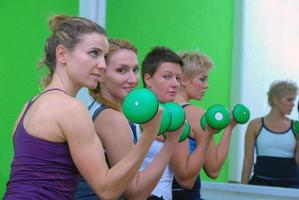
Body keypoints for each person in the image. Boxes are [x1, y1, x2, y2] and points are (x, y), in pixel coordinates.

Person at [4, 15, 163, 200]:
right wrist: (149, 134)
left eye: (104, 56)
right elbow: (107, 190)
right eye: (93, 53)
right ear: (62, 54)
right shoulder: (70, 108)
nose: (102, 65)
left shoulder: (31, 104)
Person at [75, 39, 182, 200]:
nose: (132, 79)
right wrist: (171, 140)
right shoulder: (112, 119)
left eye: (135, 69)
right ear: (101, 74)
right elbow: (135, 194)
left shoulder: (98, 108)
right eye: (121, 70)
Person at [170, 51, 237, 200]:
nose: (206, 86)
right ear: (184, 80)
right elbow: (213, 170)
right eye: (202, 79)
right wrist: (230, 127)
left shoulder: (161, 111)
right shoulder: (198, 115)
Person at [140, 46, 186, 200]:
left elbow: (185, 176)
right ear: (148, 79)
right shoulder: (129, 115)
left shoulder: (177, 116)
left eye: (178, 78)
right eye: (167, 77)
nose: (175, 84)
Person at [241, 80, 299, 188]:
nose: (293, 104)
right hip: (261, 183)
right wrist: (242, 190)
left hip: (291, 185)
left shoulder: (296, 126)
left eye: (294, 100)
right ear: (275, 99)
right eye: (289, 100)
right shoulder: (255, 125)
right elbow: (248, 160)